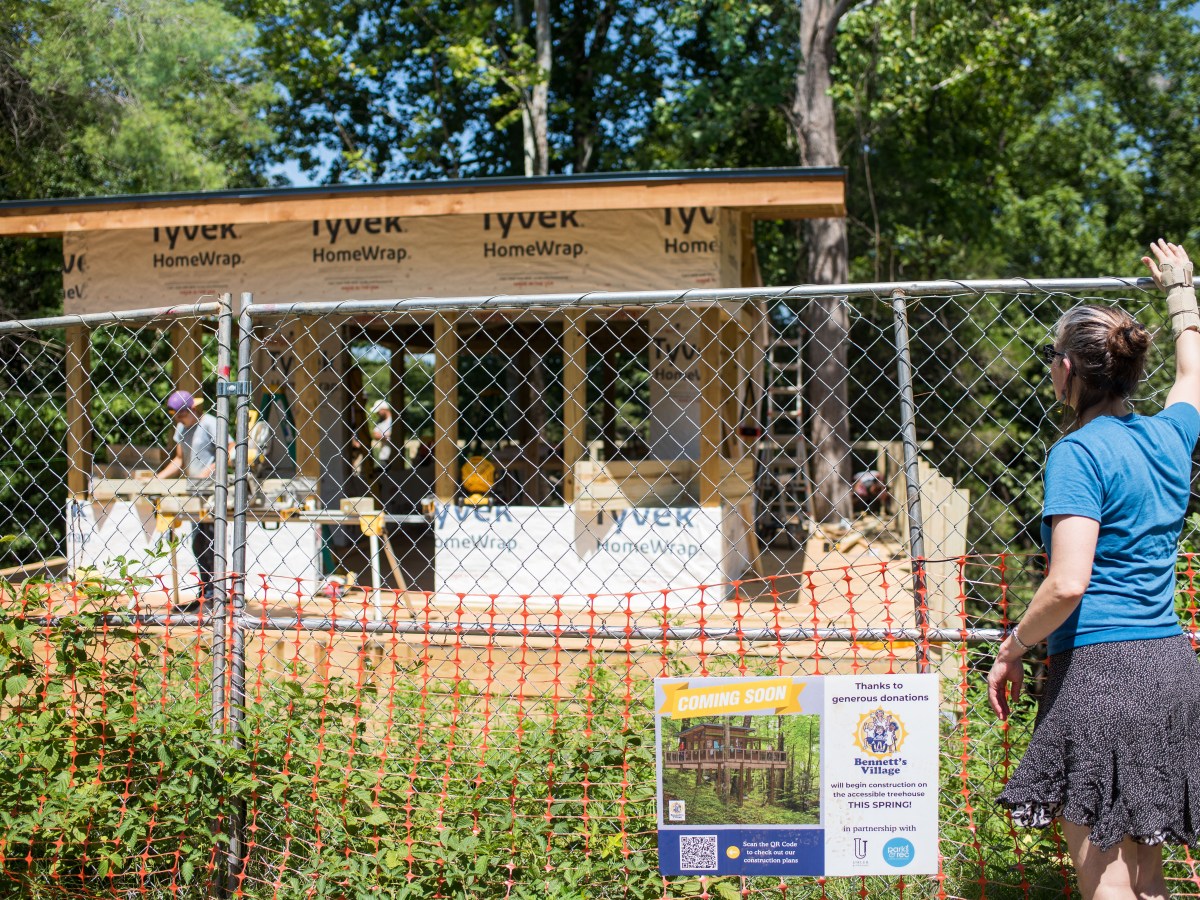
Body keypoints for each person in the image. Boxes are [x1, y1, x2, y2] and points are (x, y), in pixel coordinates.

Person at [989, 239, 1200, 900]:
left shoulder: (1076, 454)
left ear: (1071, 369)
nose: (1051, 369)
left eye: (1054, 357)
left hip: (1100, 678)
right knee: (1148, 875)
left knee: (1105, 879)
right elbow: (1192, 377)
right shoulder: (1169, 436)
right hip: (1170, 669)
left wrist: (1012, 646)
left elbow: (1067, 582)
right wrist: (1181, 290)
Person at [156, 389, 222, 610]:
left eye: (182, 415)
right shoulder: (181, 428)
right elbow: (179, 459)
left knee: (210, 540)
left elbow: (228, 451)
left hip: (212, 492)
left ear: (192, 409)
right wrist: (157, 478)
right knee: (198, 542)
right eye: (176, 417)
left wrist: (209, 471)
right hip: (194, 492)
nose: (179, 420)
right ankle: (206, 590)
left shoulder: (210, 423)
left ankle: (215, 591)